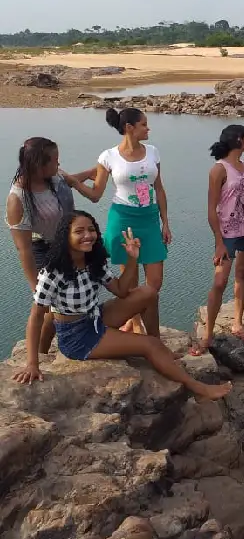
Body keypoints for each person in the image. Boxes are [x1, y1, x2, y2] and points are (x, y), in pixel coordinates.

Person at [12, 210, 231, 401]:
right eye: (79, 231)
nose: (87, 235)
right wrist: (33, 362)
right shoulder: (53, 271)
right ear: (65, 236)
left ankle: (159, 350)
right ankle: (199, 389)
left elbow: (121, 290)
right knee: (148, 346)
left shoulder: (92, 261)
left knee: (148, 292)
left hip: (95, 317)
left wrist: (132, 259)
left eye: (91, 229)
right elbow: (36, 317)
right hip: (78, 338)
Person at [65, 108, 171, 335]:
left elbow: (159, 189)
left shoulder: (153, 152)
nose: (148, 128)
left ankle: (150, 334)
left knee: (154, 284)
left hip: (150, 219)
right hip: (123, 219)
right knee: (129, 283)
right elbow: (96, 195)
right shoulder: (108, 157)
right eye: (144, 124)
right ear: (130, 128)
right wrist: (73, 182)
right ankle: (135, 324)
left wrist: (165, 222)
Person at [5, 137, 97, 353]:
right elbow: (24, 248)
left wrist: (90, 173)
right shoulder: (18, 198)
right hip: (43, 250)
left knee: (62, 305)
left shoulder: (53, 177)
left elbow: (67, 181)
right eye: (55, 160)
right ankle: (37, 356)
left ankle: (42, 353)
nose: (59, 163)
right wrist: (34, 286)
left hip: (67, 246)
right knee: (46, 308)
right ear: (39, 164)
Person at [190, 124, 244, 356]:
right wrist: (219, 242)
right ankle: (208, 335)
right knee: (219, 282)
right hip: (227, 234)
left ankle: (237, 323)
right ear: (238, 140)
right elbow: (211, 209)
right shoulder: (218, 170)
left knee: (242, 276)